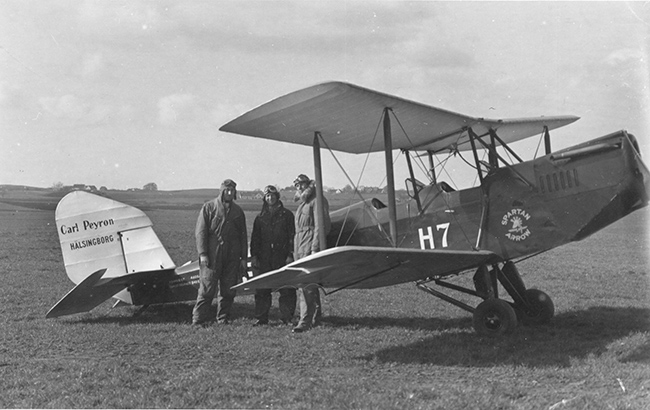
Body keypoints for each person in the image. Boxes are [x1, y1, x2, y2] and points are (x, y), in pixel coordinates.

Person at [192, 179, 247, 326]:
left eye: (232, 191)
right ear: (221, 191)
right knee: (207, 289)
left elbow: (243, 236)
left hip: (232, 255)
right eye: (226, 190)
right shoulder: (209, 208)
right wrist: (203, 253)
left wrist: (243, 257)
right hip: (212, 254)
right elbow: (201, 232)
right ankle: (198, 320)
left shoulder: (238, 211)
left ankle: (222, 318)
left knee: (228, 289)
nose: (229, 193)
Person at [250, 185, 296, 325]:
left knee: (287, 288)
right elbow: (255, 239)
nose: (270, 198)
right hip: (264, 257)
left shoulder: (287, 215)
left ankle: (287, 317)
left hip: (282, 256)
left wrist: (290, 255)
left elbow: (291, 236)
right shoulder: (260, 218)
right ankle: (261, 318)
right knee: (262, 288)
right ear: (264, 198)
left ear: (277, 197)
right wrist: (254, 257)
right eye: (267, 196)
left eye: (273, 195)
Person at [292, 174, 330, 333]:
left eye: (302, 184)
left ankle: (304, 321)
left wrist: (315, 247)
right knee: (308, 284)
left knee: (305, 283)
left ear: (308, 184)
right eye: (297, 185)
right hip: (300, 246)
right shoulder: (303, 204)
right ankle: (315, 317)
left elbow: (321, 226)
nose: (299, 187)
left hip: (309, 245)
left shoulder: (316, 201)